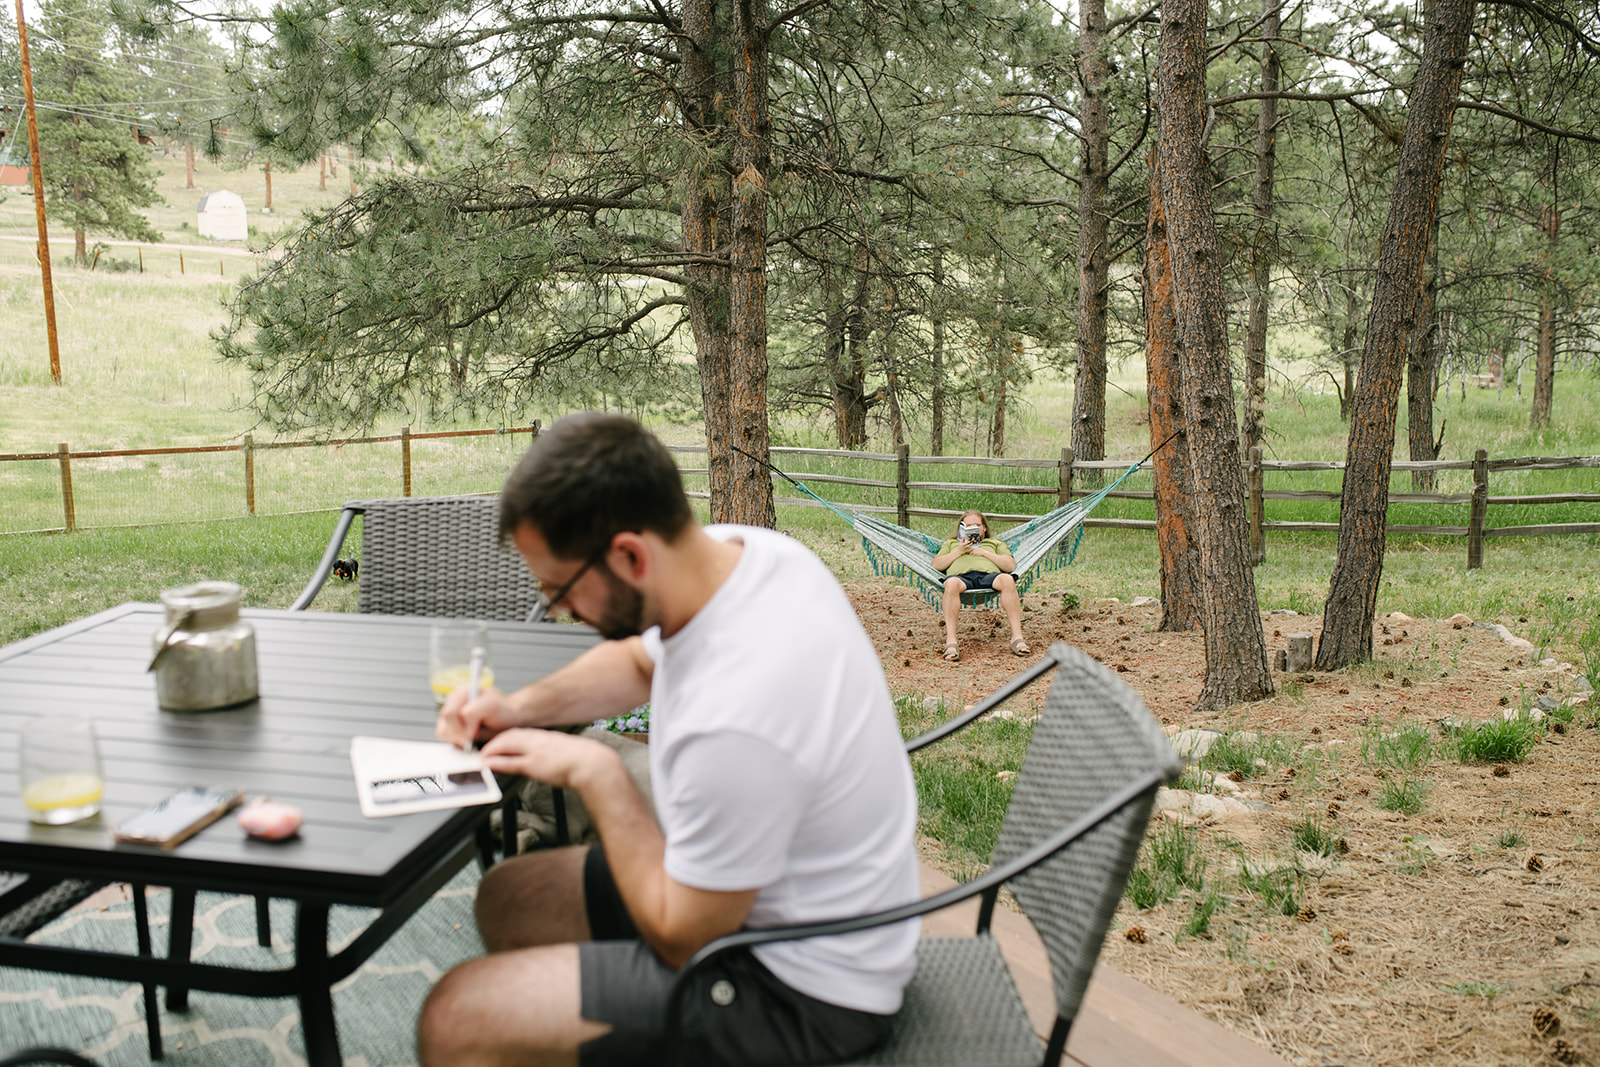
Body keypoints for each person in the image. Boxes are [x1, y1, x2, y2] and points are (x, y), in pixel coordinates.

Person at [423, 413, 921, 1067]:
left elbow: (681, 935)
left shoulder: (738, 717)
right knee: (509, 898)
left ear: (630, 554)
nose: (558, 611)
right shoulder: (750, 557)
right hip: (771, 902)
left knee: (455, 1018)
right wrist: (517, 707)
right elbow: (637, 661)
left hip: (804, 989)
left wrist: (595, 772)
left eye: (559, 590)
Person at [931, 510, 1030, 661]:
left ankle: (1017, 638)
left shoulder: (995, 543)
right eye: (968, 526)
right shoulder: (951, 544)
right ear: (961, 529)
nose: (974, 528)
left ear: (984, 528)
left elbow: (1010, 566)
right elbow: (936, 564)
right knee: (950, 584)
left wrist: (984, 552)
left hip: (989, 576)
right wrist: (959, 551)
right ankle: (951, 642)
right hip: (960, 578)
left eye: (977, 525)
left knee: (1008, 580)